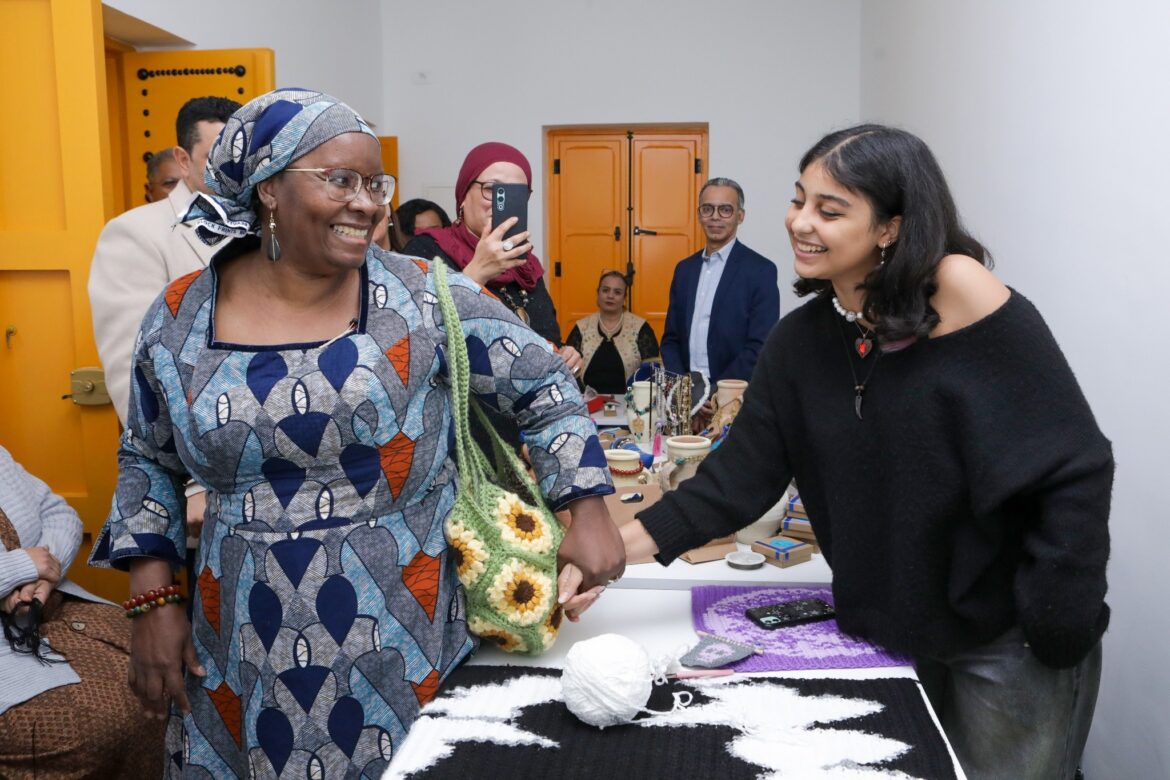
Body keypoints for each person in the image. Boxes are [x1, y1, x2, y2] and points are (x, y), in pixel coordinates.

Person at [88, 88, 624, 779]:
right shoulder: (182, 314)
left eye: (375, 183)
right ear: (269, 189)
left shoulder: (425, 296)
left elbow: (546, 386)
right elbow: (147, 456)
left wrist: (586, 505)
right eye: (340, 180)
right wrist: (152, 597)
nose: (369, 203)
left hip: (403, 632)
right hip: (239, 639)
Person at [622, 125, 1111, 780]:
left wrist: (1057, 621)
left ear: (890, 228)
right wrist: (610, 551)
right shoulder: (800, 343)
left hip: (1006, 634)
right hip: (898, 627)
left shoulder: (958, 290)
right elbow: (737, 481)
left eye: (830, 209)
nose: (800, 222)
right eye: (799, 200)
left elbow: (1073, 462)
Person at [0, 445, 165, 777]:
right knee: (93, 731)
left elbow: (61, 514)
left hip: (53, 606)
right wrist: (18, 567)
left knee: (167, 664)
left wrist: (43, 577)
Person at [90, 95, 241, 426]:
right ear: (183, 160)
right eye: (216, 157)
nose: (233, 169)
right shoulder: (135, 233)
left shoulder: (268, 224)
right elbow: (133, 370)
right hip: (194, 454)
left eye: (241, 155)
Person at [403, 142, 582, 373]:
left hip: (531, 406)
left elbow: (548, 338)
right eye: (492, 189)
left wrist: (566, 355)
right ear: (463, 196)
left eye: (515, 193)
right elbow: (412, 339)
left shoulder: (525, 264)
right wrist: (477, 272)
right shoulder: (426, 251)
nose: (502, 203)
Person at [659, 177, 779, 385]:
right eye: (708, 209)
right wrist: (684, 388)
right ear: (699, 215)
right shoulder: (684, 270)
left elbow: (760, 345)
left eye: (725, 210)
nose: (715, 217)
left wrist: (717, 391)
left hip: (734, 394)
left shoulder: (761, 271)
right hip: (685, 395)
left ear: (740, 216)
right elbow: (671, 339)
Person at [565, 270, 660, 394]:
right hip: (587, 403)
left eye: (617, 292)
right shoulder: (581, 328)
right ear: (597, 294)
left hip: (630, 404)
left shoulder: (640, 328)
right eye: (605, 290)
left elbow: (652, 371)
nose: (610, 296)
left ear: (624, 298)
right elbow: (567, 370)